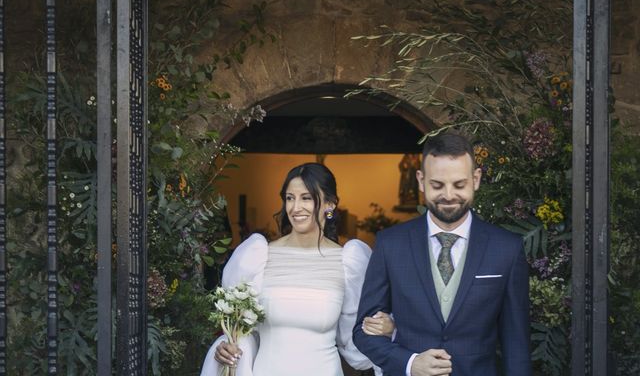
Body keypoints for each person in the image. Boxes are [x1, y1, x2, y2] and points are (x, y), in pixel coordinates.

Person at [353, 133, 531, 376]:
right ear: (421, 180)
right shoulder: (390, 244)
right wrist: (409, 362)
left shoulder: (506, 248)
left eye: (459, 185)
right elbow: (363, 331)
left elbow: (516, 345)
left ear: (476, 179)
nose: (448, 195)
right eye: (437, 185)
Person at [200, 162, 395, 376]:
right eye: (290, 198)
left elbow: (356, 342)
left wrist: (388, 331)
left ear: (330, 205)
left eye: (306, 198)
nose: (295, 208)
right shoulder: (257, 257)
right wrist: (226, 348)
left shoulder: (348, 262)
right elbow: (242, 331)